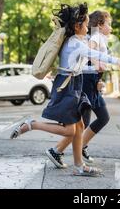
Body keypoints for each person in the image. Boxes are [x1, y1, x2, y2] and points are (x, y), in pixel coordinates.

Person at [9, 3, 120, 177]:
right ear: (77, 26)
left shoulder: (75, 41)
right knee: (70, 130)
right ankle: (32, 125)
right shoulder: (76, 44)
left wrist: (97, 73)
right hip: (68, 86)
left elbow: (82, 68)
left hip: (73, 82)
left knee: (80, 126)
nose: (88, 27)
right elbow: (97, 56)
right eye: (86, 24)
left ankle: (79, 165)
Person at [48, 10, 114, 168]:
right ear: (99, 25)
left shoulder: (98, 38)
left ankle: (79, 146)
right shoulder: (94, 38)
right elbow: (88, 56)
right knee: (82, 123)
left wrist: (99, 77)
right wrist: (97, 65)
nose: (111, 28)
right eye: (109, 24)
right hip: (86, 82)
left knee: (100, 118)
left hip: (91, 82)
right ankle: (59, 150)